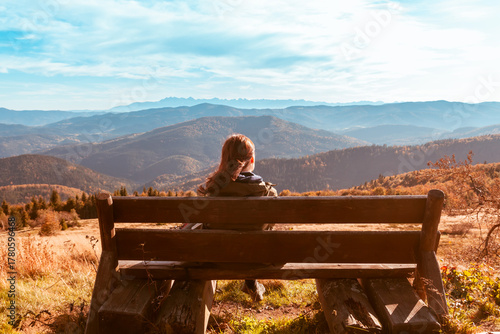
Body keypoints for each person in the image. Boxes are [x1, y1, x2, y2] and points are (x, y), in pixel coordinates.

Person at [197, 134, 278, 301]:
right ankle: (251, 283)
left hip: (217, 258)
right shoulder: (268, 193)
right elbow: (269, 227)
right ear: (252, 160)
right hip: (257, 260)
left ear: (224, 159)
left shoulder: (213, 192)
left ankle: (250, 284)